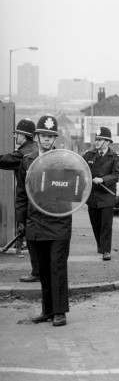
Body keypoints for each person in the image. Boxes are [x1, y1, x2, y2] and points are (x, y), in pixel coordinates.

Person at [17, 115, 71, 326]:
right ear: (37, 137)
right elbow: (22, 193)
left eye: (51, 136)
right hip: (35, 223)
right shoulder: (27, 160)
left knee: (57, 266)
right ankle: (47, 310)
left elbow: (72, 193)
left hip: (58, 221)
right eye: (44, 136)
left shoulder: (64, 160)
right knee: (43, 269)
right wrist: (21, 221)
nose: (47, 140)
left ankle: (60, 312)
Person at [0, 118, 39, 279]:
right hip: (39, 201)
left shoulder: (24, 153)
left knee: (32, 239)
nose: (16, 137)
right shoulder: (35, 148)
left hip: (29, 201)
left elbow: (4, 160)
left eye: (18, 135)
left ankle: (37, 273)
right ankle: (40, 272)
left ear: (24, 136)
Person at [82, 127, 119, 261]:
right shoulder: (89, 155)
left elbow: (117, 175)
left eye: (100, 140)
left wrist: (103, 179)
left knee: (106, 225)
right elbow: (81, 167)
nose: (97, 142)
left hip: (107, 196)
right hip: (92, 196)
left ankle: (106, 250)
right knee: (95, 224)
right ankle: (100, 245)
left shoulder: (115, 157)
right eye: (96, 139)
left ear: (107, 142)